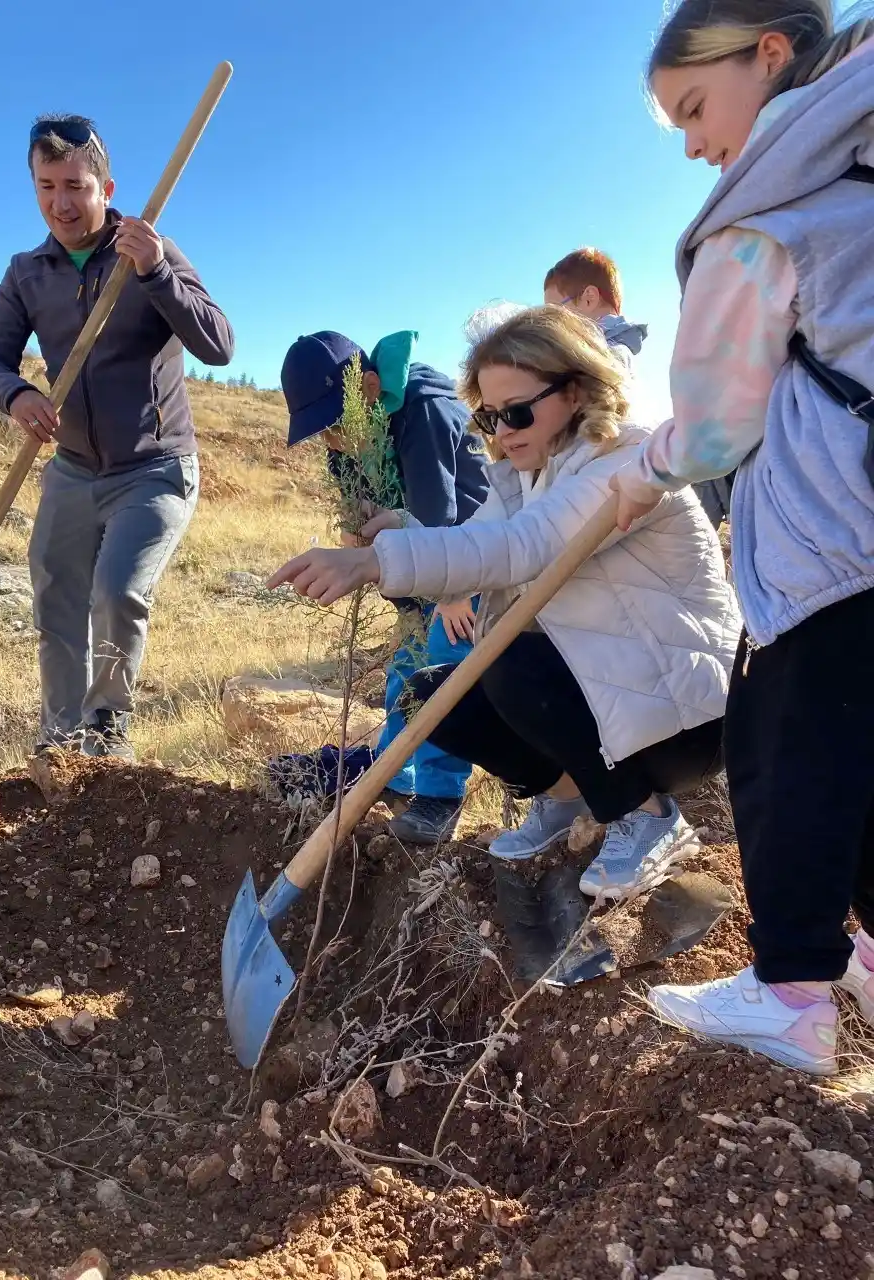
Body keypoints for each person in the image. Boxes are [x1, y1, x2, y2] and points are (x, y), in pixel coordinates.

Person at [612, 1, 874, 1075]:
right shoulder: (858, 169)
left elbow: (718, 423)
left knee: (779, 749)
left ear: (769, 54)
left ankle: (793, 990)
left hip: (825, 536)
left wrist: (646, 463)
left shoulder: (764, 215)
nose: (689, 142)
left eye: (693, 105)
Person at [269, 306, 741, 895]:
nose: (501, 432)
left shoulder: (625, 463)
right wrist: (398, 533)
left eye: (516, 412)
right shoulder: (521, 479)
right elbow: (474, 548)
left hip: (689, 715)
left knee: (510, 664)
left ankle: (646, 819)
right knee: (434, 694)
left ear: (574, 392)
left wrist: (371, 562)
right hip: (618, 703)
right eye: (489, 417)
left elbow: (525, 547)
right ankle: (564, 802)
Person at [0, 116, 233, 761]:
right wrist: (19, 394)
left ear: (105, 187)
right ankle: (60, 741)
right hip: (73, 468)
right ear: (34, 187)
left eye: (76, 186)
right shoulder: (27, 272)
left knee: (116, 594)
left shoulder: (152, 248)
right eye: (47, 185)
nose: (62, 202)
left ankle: (105, 736)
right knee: (56, 601)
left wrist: (154, 275)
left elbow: (218, 345)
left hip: (154, 467)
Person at [279, 330, 489, 844]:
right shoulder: (347, 436)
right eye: (319, 431)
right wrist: (355, 533)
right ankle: (396, 778)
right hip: (418, 565)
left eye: (333, 423)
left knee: (442, 667)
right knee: (405, 673)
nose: (330, 440)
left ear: (370, 387)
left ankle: (440, 798)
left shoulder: (423, 410)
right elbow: (358, 515)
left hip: (475, 560)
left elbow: (444, 518)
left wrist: (452, 593)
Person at [545, 248, 732, 529]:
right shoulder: (615, 351)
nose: (553, 326)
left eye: (555, 312)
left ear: (589, 297)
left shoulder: (609, 357)